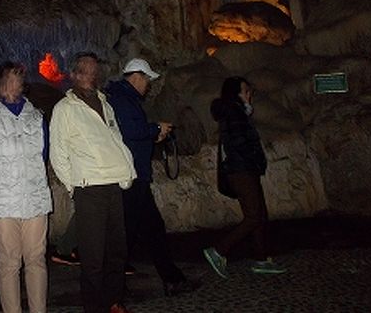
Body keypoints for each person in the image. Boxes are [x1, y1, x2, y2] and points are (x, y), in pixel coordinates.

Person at [106, 58, 201, 296]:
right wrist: (156, 129)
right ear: (136, 77)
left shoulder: (123, 98)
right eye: (147, 79)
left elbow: (131, 134)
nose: (148, 85)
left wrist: (153, 135)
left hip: (135, 174)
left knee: (150, 229)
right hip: (132, 175)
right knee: (129, 232)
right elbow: (130, 131)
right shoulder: (123, 100)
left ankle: (171, 279)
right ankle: (112, 287)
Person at [50, 52, 136, 313]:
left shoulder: (104, 103)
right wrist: (74, 185)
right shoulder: (65, 109)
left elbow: (116, 139)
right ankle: (94, 307)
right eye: (85, 71)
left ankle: (113, 301)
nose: (91, 75)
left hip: (114, 184)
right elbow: (58, 153)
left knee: (117, 251)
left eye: (93, 70)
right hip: (89, 188)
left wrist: (126, 172)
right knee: (93, 257)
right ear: (74, 75)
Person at [0, 62, 52, 313]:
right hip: (3, 201)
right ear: (0, 83)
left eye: (18, 78)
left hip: (34, 199)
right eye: (10, 78)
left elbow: (43, 155)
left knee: (36, 259)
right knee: (9, 262)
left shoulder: (36, 117)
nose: (15, 83)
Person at [203, 76, 287, 277]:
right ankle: (218, 251)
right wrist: (253, 160)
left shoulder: (236, 111)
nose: (250, 95)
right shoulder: (234, 112)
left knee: (259, 215)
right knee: (253, 216)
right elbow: (239, 142)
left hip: (245, 169)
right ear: (236, 94)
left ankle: (261, 259)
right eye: (246, 91)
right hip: (241, 170)